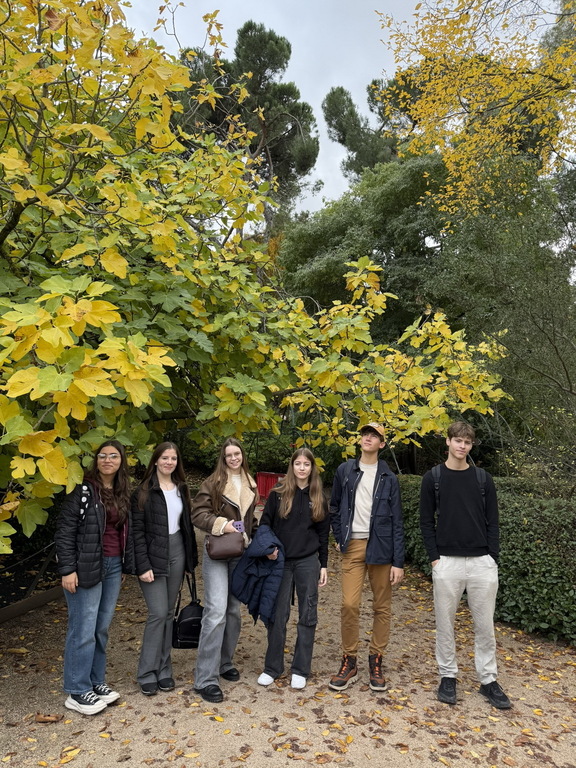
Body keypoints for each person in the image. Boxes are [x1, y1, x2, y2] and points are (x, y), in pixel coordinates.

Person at [419, 421, 512, 709]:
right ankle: (448, 676)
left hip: (482, 562)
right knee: (445, 624)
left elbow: (493, 521)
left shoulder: (483, 479)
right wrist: (435, 557)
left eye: (467, 442)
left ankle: (488, 679)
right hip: (447, 562)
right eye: (458, 440)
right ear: (448, 442)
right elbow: (425, 521)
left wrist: (492, 556)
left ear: (471, 445)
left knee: (485, 626)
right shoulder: (433, 478)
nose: (462, 446)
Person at [55, 440, 133, 715]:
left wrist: (122, 566)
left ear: (121, 461)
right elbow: (65, 530)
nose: (107, 460)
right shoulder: (83, 489)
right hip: (85, 566)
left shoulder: (122, 491)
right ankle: (77, 691)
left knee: (100, 629)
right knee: (83, 629)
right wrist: (67, 569)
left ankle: (95, 682)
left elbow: (123, 532)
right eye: (102, 455)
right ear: (96, 460)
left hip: (112, 566)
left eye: (113, 456)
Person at [329, 423, 405, 692]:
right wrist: (340, 536)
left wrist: (398, 562)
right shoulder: (345, 471)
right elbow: (334, 506)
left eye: (374, 436)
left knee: (382, 606)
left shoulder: (389, 478)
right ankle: (349, 660)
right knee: (349, 604)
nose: (368, 438)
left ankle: (376, 659)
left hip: (381, 547)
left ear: (382, 444)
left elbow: (397, 521)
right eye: (365, 434)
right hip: (353, 546)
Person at [190, 438, 258, 703]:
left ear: (243, 455)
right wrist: (222, 524)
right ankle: (205, 678)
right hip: (218, 552)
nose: (233, 458)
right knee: (216, 611)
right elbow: (198, 514)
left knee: (233, 611)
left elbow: (250, 521)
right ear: (223, 457)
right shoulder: (213, 482)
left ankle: (224, 662)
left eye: (237, 453)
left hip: (240, 552)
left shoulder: (251, 483)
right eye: (229, 454)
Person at [257, 448, 329, 690]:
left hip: (308, 561)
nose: (302, 468)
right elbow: (265, 524)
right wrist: (268, 549)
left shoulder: (318, 496)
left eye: (306, 464)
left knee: (307, 613)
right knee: (277, 615)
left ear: (312, 468)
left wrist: (324, 565)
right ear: (292, 466)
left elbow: (323, 534)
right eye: (298, 463)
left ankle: (300, 669)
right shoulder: (278, 493)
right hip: (281, 561)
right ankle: (272, 667)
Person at [132, 442, 198, 696]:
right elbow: (136, 533)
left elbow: (187, 527)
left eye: (173, 458)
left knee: (169, 613)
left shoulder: (182, 489)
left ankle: (164, 669)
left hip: (177, 551)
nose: (169, 462)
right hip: (152, 556)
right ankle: (147, 672)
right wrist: (142, 565)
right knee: (158, 613)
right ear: (156, 461)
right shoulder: (143, 492)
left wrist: (189, 561)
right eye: (165, 458)